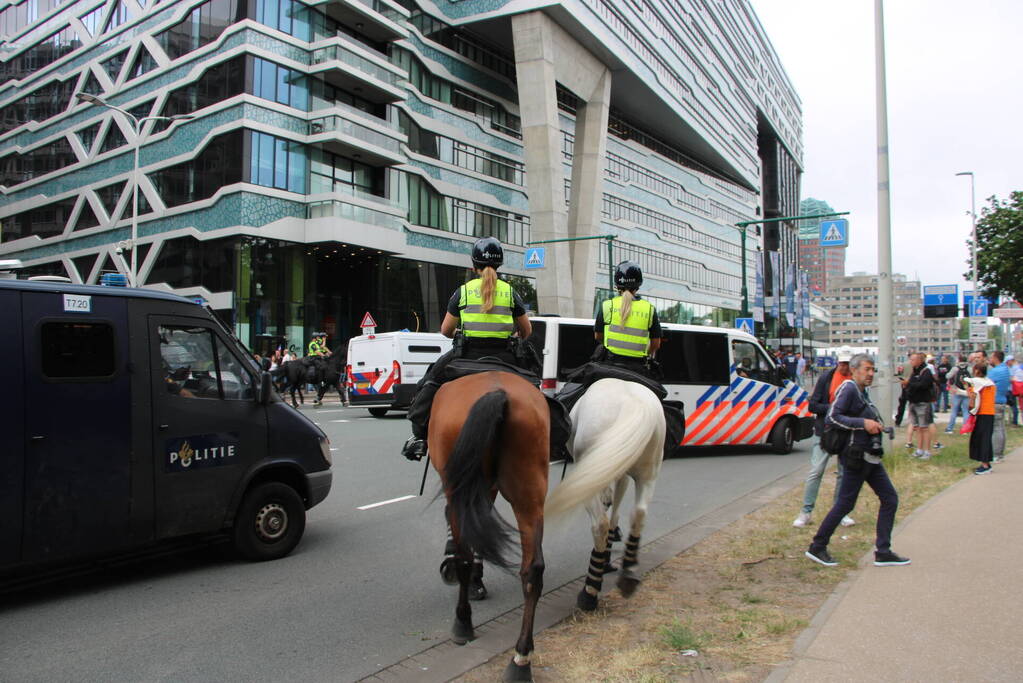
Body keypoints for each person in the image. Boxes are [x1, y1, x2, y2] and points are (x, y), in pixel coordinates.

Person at [401, 237, 532, 461]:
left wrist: (460, 334)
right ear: (499, 265)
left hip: (467, 354)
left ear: (474, 266)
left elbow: (445, 330)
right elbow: (526, 330)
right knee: (533, 384)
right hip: (505, 356)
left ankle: (419, 438)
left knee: (430, 382)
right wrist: (513, 335)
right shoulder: (511, 293)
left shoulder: (463, 292)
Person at [805, 354, 909, 568]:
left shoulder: (862, 392)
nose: (871, 373)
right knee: (845, 503)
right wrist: (863, 423)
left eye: (873, 370)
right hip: (855, 457)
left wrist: (874, 426)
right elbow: (833, 417)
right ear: (854, 370)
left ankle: (883, 551)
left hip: (868, 456)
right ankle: (817, 546)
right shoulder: (849, 388)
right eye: (867, 369)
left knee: (889, 499)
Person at [792, 346, 856, 529]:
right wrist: (834, 409)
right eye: (843, 363)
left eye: (848, 364)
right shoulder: (827, 378)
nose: (845, 367)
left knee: (844, 474)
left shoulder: (855, 381)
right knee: (816, 471)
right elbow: (813, 405)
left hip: (847, 433)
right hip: (826, 431)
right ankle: (806, 511)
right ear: (838, 362)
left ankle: (841, 512)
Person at [593, 260, 663, 374]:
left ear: (617, 285)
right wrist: (645, 354)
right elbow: (656, 344)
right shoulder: (649, 309)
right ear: (638, 284)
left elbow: (598, 336)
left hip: (610, 364)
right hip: (638, 367)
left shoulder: (607, 305)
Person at [902, 352, 936, 459]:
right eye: (910, 360)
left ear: (919, 360)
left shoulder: (926, 372)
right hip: (914, 402)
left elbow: (923, 385)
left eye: (913, 360)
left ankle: (927, 451)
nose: (911, 362)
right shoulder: (914, 371)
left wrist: (909, 384)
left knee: (924, 427)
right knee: (917, 428)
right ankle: (919, 449)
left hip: (923, 403)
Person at [965, 362, 996, 474]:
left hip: (984, 413)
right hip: (989, 413)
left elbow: (968, 381)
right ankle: (986, 463)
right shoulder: (989, 382)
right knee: (984, 438)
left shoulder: (978, 382)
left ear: (977, 371)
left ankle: (985, 465)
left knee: (982, 439)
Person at [987, 350, 1010, 462]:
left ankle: (995, 454)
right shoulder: (1005, 370)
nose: (990, 360)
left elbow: (986, 384)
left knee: (995, 429)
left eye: (991, 357)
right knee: (1001, 428)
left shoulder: (994, 372)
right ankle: (1000, 454)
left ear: (996, 358)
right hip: (1001, 400)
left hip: (994, 401)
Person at [945, 354, 972, 433]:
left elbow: (947, 376)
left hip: (956, 391)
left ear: (959, 360)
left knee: (954, 411)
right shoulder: (969, 368)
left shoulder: (955, 368)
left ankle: (950, 428)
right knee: (965, 411)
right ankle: (965, 429)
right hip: (966, 391)